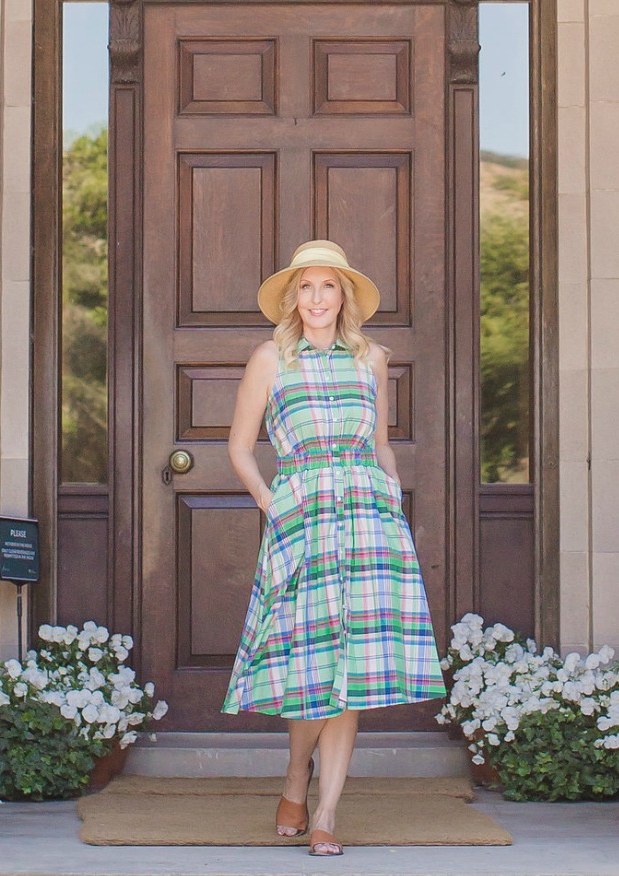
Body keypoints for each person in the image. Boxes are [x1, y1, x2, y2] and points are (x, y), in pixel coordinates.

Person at [222, 240, 446, 856]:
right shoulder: (271, 358)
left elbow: (380, 444)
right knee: (310, 662)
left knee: (351, 669)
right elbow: (239, 447)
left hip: (369, 517)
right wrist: (271, 502)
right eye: (306, 287)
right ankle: (297, 772)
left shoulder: (372, 358)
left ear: (343, 295)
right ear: (293, 297)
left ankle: (325, 813)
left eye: (328, 286)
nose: (317, 298)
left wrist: (392, 504)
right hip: (302, 518)